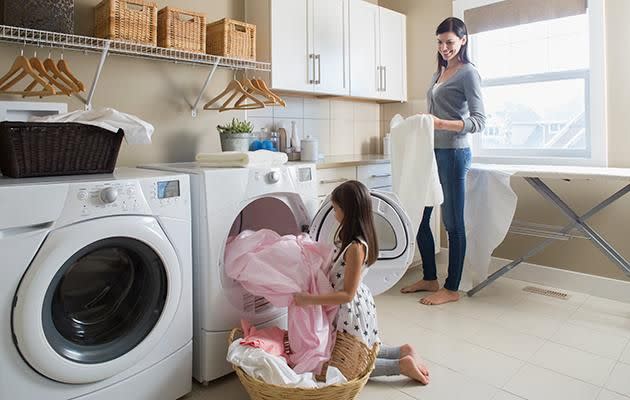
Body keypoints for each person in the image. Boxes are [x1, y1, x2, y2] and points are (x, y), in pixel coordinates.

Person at [294, 180, 430, 384]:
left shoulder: (356, 248)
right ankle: (403, 351)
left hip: (349, 309)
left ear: (348, 212)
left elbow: (346, 294)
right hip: (355, 304)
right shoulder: (352, 240)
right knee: (358, 348)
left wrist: (309, 299)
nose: (333, 214)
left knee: (346, 368)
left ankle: (400, 366)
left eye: (336, 209)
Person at [401, 17, 486, 305]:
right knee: (420, 216)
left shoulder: (468, 73)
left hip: (454, 154)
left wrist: (440, 124)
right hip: (431, 152)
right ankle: (429, 277)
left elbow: (478, 121)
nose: (444, 47)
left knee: (452, 222)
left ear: (463, 40)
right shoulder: (441, 72)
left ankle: (451, 288)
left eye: (450, 42)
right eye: (440, 42)